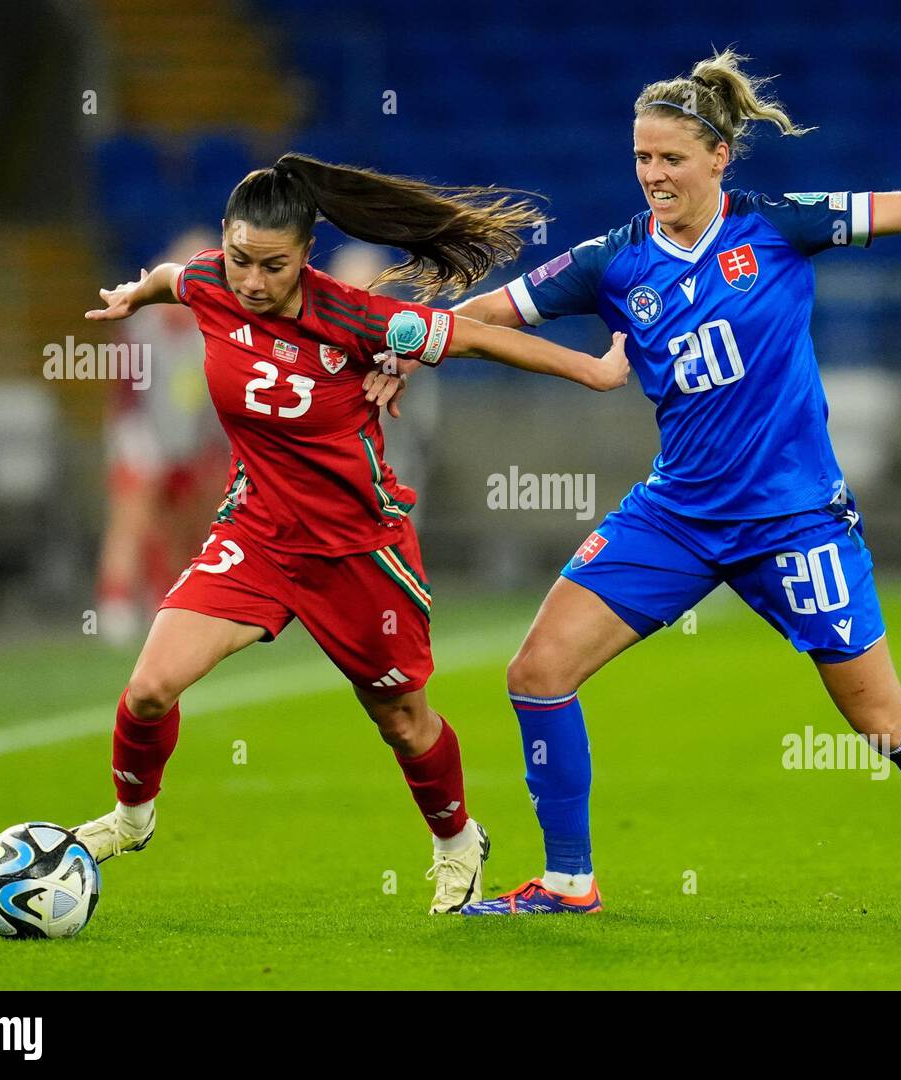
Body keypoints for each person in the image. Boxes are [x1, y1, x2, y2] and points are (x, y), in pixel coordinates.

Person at [376, 49, 901, 914]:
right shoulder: (613, 260)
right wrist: (411, 345)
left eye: (670, 158)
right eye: (641, 157)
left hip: (794, 522)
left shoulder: (779, 226)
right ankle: (568, 882)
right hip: (676, 516)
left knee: (880, 721)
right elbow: (490, 313)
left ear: (718, 158)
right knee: (538, 671)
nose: (653, 174)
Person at [76, 153, 628, 914]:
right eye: (241, 261)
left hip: (358, 551)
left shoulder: (361, 319)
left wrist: (593, 372)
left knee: (402, 722)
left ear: (306, 254)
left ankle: (456, 839)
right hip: (259, 535)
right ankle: (131, 820)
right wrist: (135, 295)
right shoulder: (210, 281)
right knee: (147, 691)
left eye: (272, 266)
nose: (251, 282)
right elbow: (177, 279)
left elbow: (478, 339)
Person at [96, 228, 229, 645]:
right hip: (140, 439)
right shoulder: (141, 326)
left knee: (182, 527)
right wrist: (140, 447)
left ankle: (169, 599)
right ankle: (114, 603)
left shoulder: (208, 332)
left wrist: (205, 450)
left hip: (189, 445)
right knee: (131, 518)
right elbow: (126, 396)